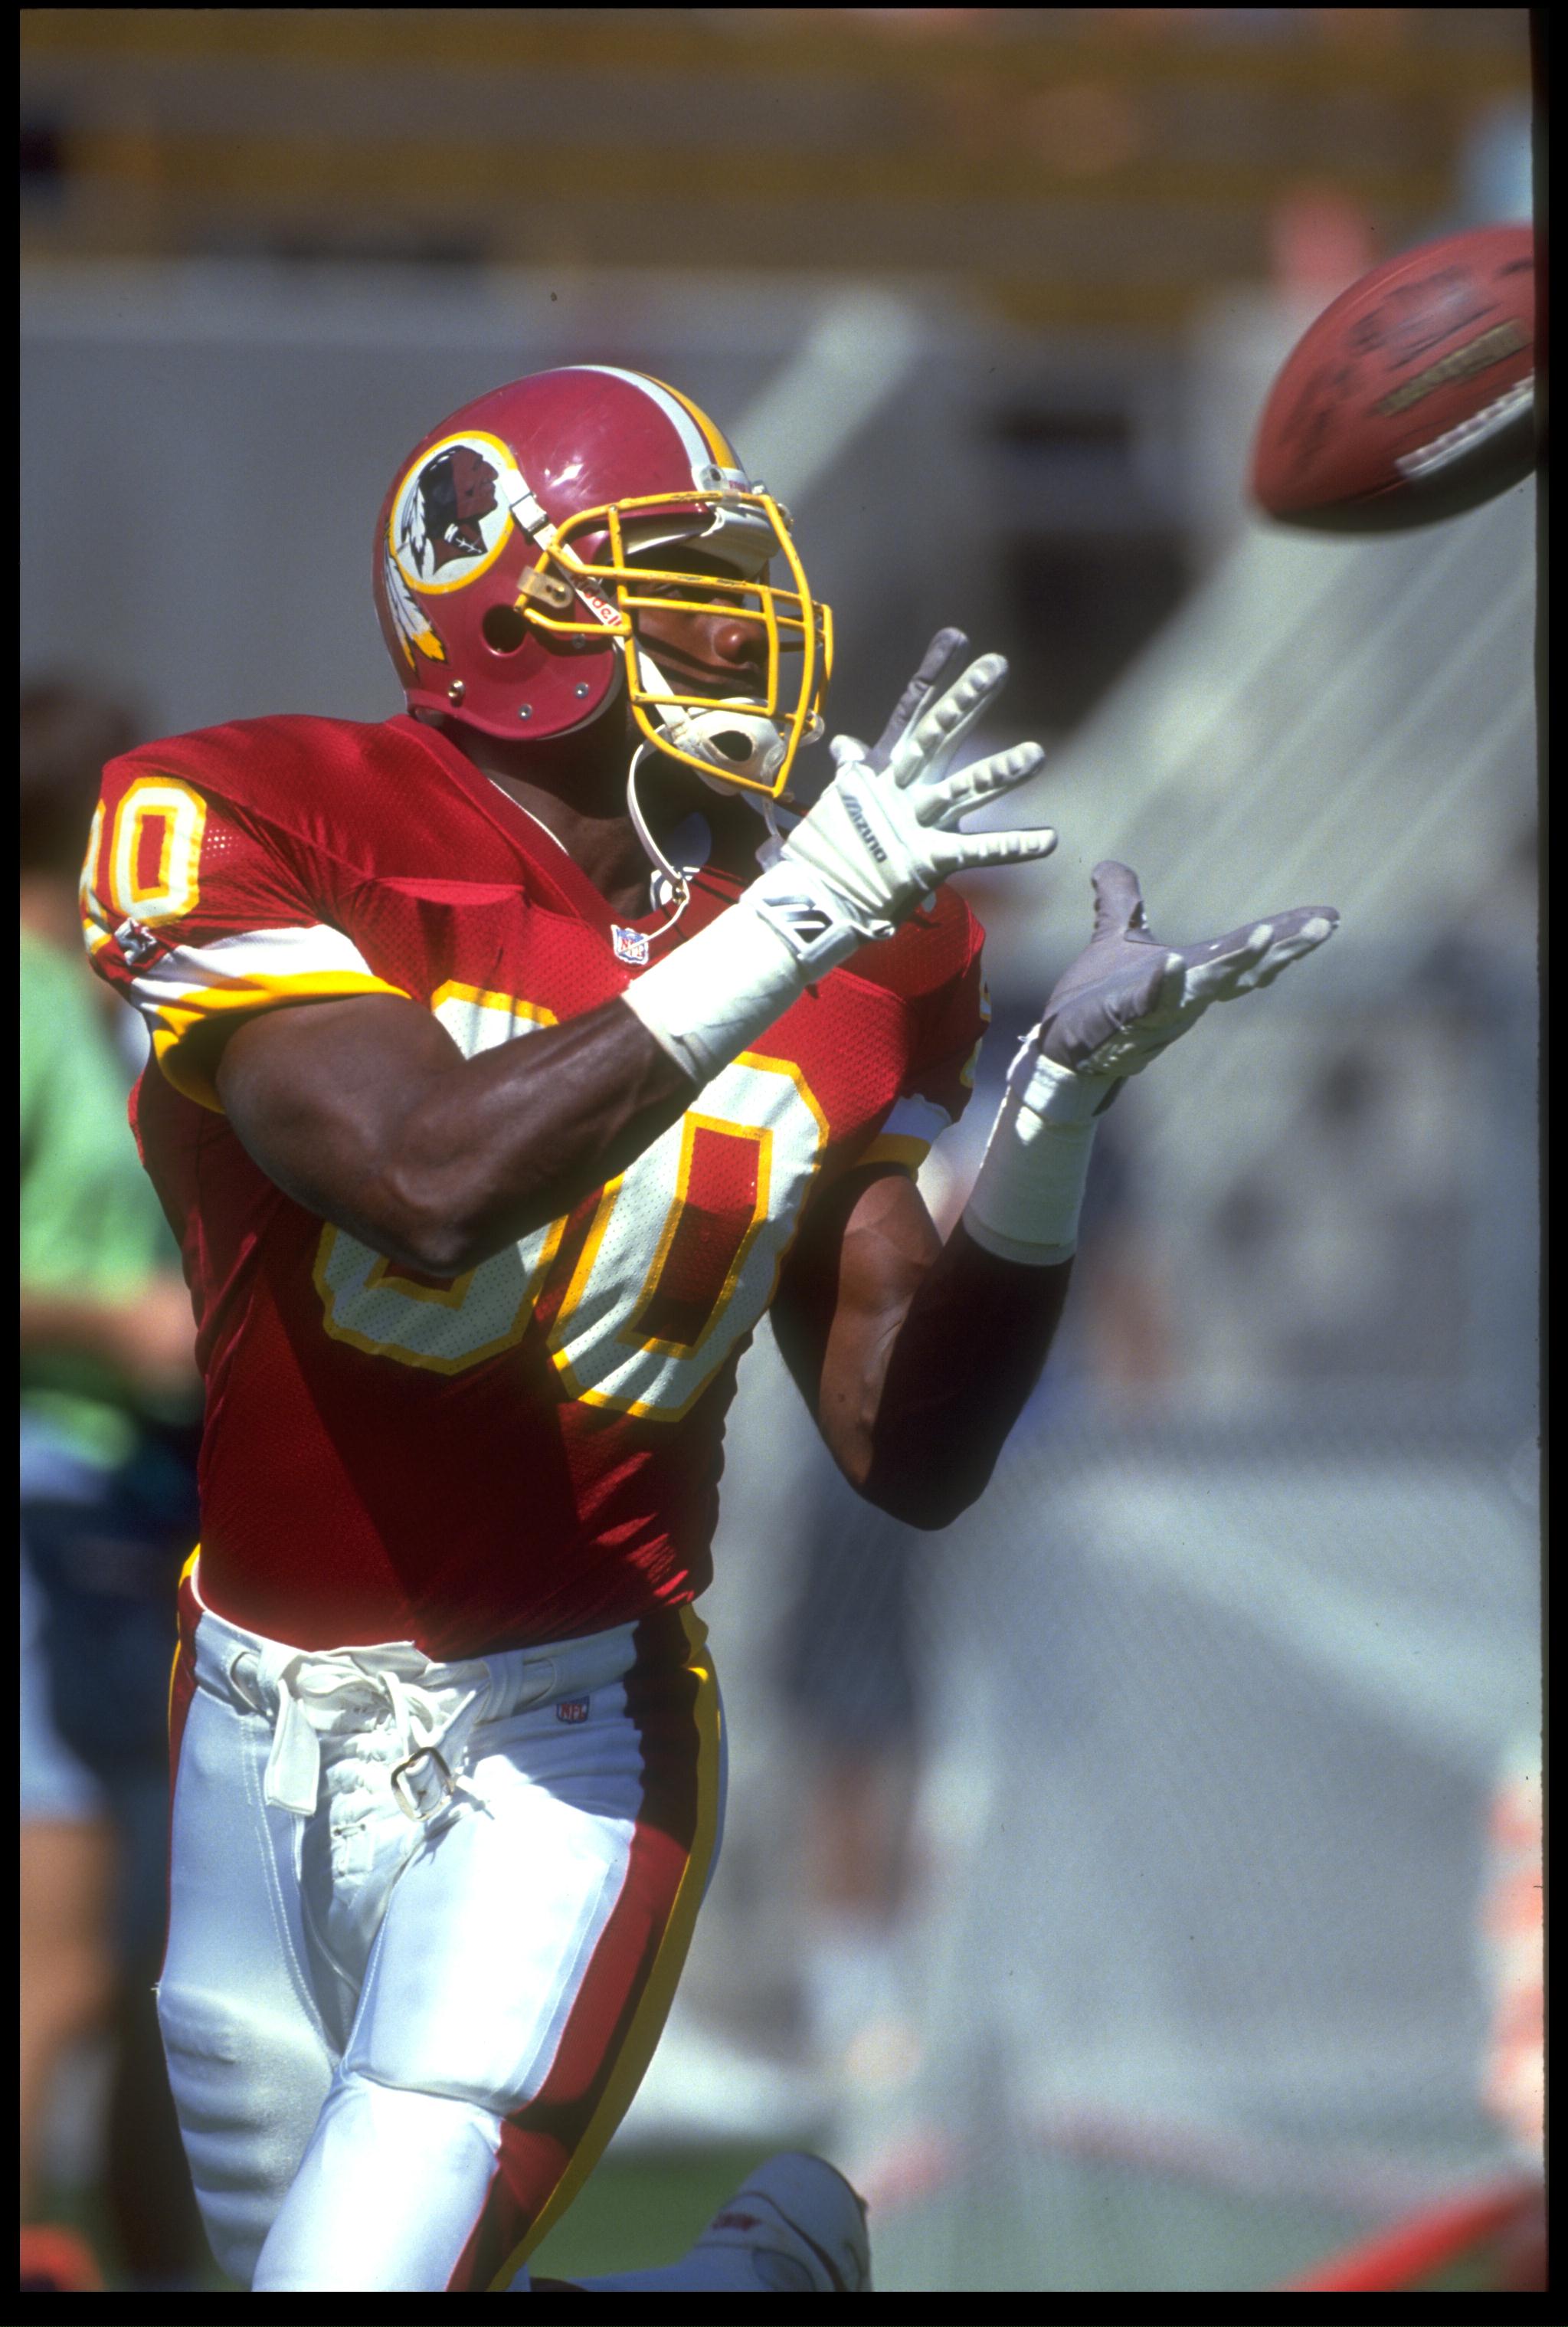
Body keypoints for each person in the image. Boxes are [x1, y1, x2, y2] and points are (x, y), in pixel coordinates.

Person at [80, 365, 1337, 2293]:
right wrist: (789, 928)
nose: (724, 615)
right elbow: (423, 1177)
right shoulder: (256, 813)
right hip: (247, 1714)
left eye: (726, 573)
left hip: (567, 1741)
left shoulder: (857, 942)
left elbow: (904, 1447)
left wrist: (1047, 1124)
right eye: (656, 572)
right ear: (493, 605)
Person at [21, 682, 208, 2292]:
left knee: (133, 1938)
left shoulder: (102, 999)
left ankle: (154, 2247)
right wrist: (128, 1322)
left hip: (124, 1500)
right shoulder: (19, 1001)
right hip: (50, 1500)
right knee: (77, 1947)